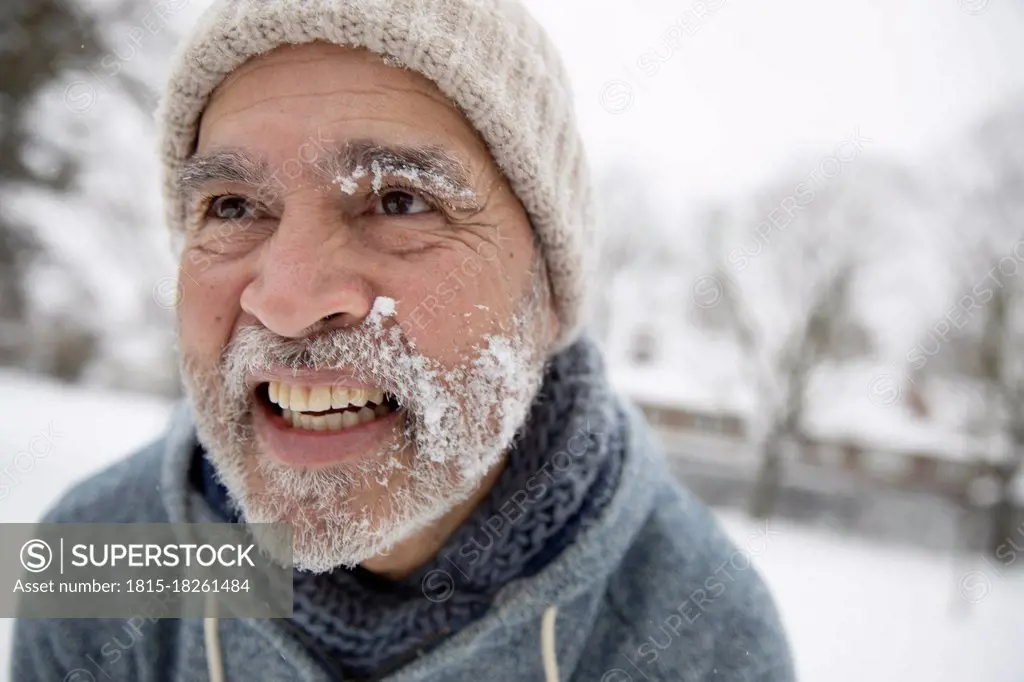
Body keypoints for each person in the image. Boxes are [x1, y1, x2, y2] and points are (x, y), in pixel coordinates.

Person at [13, 0, 794, 679]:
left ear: (548, 291)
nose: (287, 302)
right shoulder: (92, 557)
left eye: (399, 199)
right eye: (231, 207)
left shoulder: (701, 634)